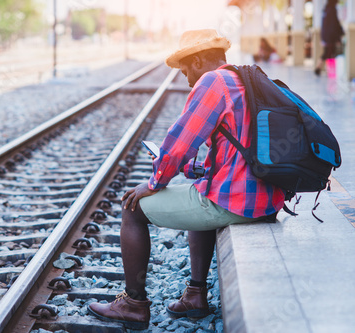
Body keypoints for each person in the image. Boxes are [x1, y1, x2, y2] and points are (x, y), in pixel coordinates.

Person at [87, 29, 286, 330]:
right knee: (201, 188)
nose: (182, 74)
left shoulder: (212, 82)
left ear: (198, 60)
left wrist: (154, 182)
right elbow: (235, 153)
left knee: (132, 208)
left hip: (239, 203)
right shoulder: (242, 79)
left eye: (184, 65)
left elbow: (179, 143)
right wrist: (192, 170)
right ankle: (195, 295)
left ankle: (133, 304)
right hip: (266, 198)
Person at [314, 0, 344, 76]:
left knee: (326, 53)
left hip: (325, 36)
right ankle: (331, 72)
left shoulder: (326, 10)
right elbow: (335, 24)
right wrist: (338, 37)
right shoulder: (332, 10)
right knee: (331, 53)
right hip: (331, 36)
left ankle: (319, 67)